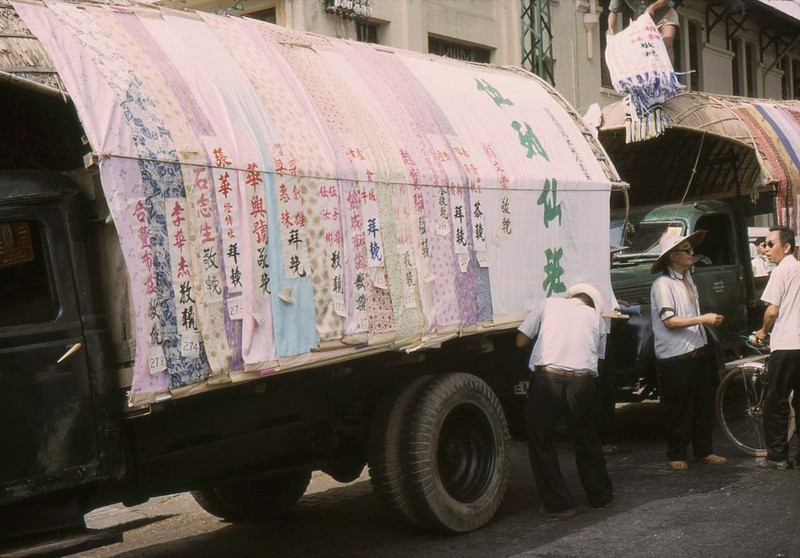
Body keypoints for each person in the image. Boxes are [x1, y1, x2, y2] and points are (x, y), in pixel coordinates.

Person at [517, 283, 613, 518]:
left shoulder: (548, 303)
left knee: (541, 439)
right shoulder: (597, 319)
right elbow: (598, 359)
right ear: (592, 305)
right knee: (587, 439)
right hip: (582, 381)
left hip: (548, 378)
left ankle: (560, 504)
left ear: (571, 296)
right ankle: (600, 497)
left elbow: (520, 341)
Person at [650, 230, 726, 470]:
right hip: (675, 355)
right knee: (678, 406)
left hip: (697, 348)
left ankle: (704, 450)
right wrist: (704, 319)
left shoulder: (688, 279)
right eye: (686, 250)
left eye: (691, 249)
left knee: (703, 403)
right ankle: (677, 453)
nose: (691, 252)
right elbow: (669, 321)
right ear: (673, 256)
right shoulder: (663, 284)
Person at [753, 225, 800, 470]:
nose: (767, 249)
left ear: (787, 247)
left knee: (776, 402)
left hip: (786, 344)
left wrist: (762, 331)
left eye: (771, 244)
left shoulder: (782, 270)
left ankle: (777, 456)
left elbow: (772, 310)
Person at [607, 0, 680, 64]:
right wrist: (610, 30)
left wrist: (652, 7)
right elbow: (613, 13)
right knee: (647, 51)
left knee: (667, 43)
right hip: (647, 23)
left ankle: (670, 74)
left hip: (665, 16)